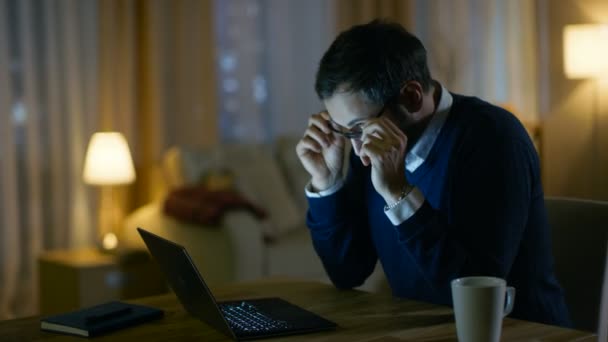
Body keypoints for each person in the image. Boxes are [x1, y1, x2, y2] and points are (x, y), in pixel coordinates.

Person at [296, 19, 570, 327]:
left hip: (520, 334)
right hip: (422, 331)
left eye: (359, 128)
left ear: (412, 97)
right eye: (344, 131)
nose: (357, 149)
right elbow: (347, 272)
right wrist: (327, 184)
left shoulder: (494, 139)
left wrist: (399, 193)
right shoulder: (370, 149)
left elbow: (475, 295)